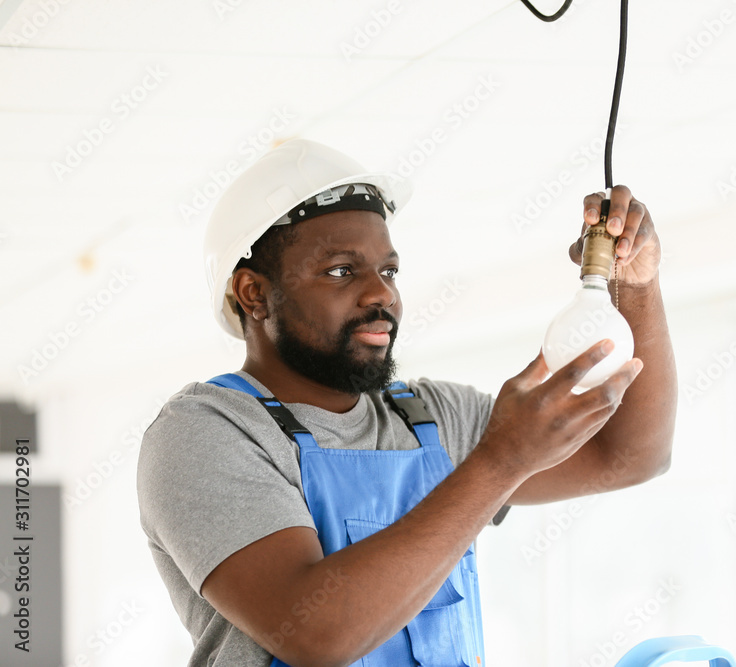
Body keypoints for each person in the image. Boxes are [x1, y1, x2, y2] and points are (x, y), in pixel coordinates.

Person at [137, 138, 676, 667]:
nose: (382, 294)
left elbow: (629, 457)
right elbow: (314, 634)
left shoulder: (432, 418)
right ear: (254, 293)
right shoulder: (206, 432)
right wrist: (501, 461)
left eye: (388, 271)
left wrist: (639, 285)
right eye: (342, 270)